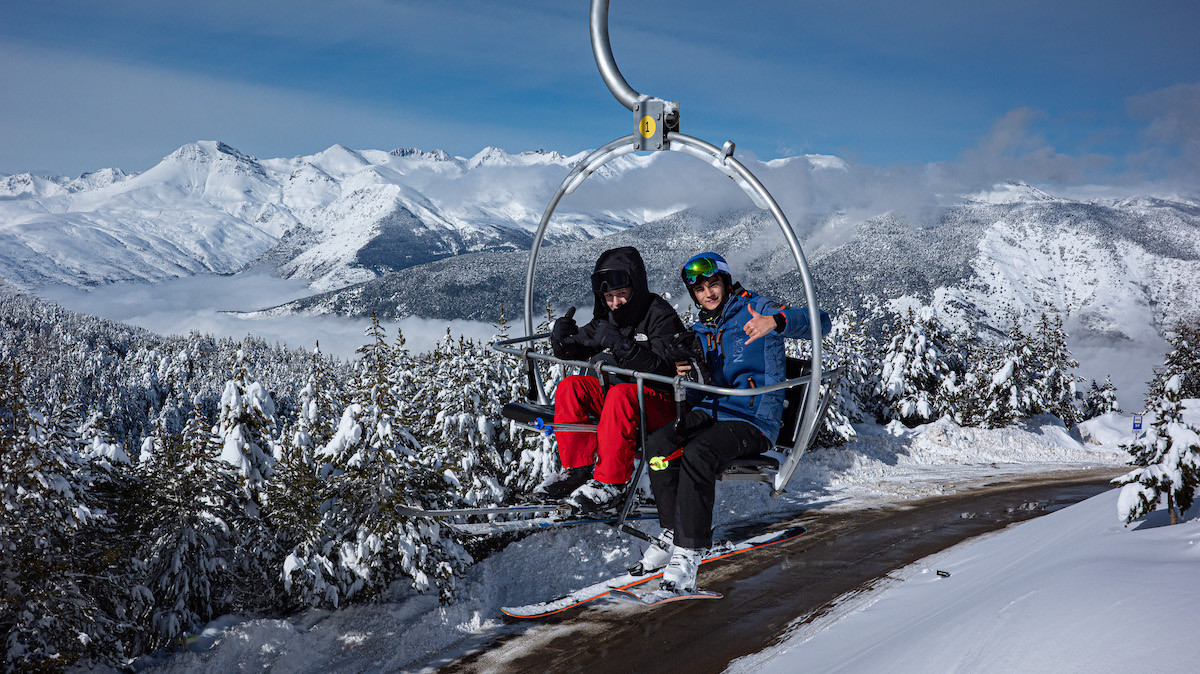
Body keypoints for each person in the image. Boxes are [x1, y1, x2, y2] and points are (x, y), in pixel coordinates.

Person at [636, 252, 831, 592]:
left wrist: (777, 322)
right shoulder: (701, 329)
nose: (708, 294)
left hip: (753, 420)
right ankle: (672, 529)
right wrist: (682, 370)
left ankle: (690, 549)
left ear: (725, 283)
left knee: (698, 453)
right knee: (658, 446)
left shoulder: (756, 308)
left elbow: (821, 322)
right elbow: (699, 382)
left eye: (713, 285)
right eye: (700, 290)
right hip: (712, 413)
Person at [536, 246, 685, 512]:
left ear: (635, 289)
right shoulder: (608, 319)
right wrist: (562, 340)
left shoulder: (660, 316)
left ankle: (611, 482)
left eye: (621, 295)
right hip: (625, 403)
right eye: (609, 297)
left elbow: (664, 370)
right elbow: (579, 345)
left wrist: (623, 347)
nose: (615, 303)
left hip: (663, 405)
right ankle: (578, 469)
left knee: (621, 393)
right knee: (572, 387)